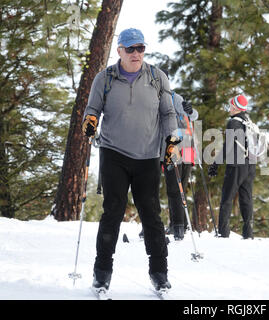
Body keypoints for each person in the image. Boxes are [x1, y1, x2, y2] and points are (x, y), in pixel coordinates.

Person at [82, 28, 178, 294]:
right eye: (131, 49)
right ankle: (102, 274)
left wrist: (172, 139)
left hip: (148, 155)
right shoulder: (105, 79)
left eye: (140, 48)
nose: (136, 54)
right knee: (112, 210)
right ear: (120, 51)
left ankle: (159, 274)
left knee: (151, 214)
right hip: (113, 153)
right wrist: (89, 122)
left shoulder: (158, 78)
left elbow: (168, 113)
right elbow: (92, 109)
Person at [138, 70, 199, 241]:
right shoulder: (146, 99)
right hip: (155, 148)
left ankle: (178, 226)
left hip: (179, 147)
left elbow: (193, 115)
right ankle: (150, 226)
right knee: (149, 188)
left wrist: (190, 110)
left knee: (175, 188)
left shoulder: (174, 98)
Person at [208, 95, 256, 239]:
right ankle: (248, 233)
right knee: (246, 198)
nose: (229, 108)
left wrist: (215, 163)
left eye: (230, 106)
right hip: (251, 164)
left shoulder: (233, 123)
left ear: (235, 108)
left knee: (227, 198)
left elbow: (228, 146)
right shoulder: (249, 122)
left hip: (236, 164)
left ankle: (223, 233)